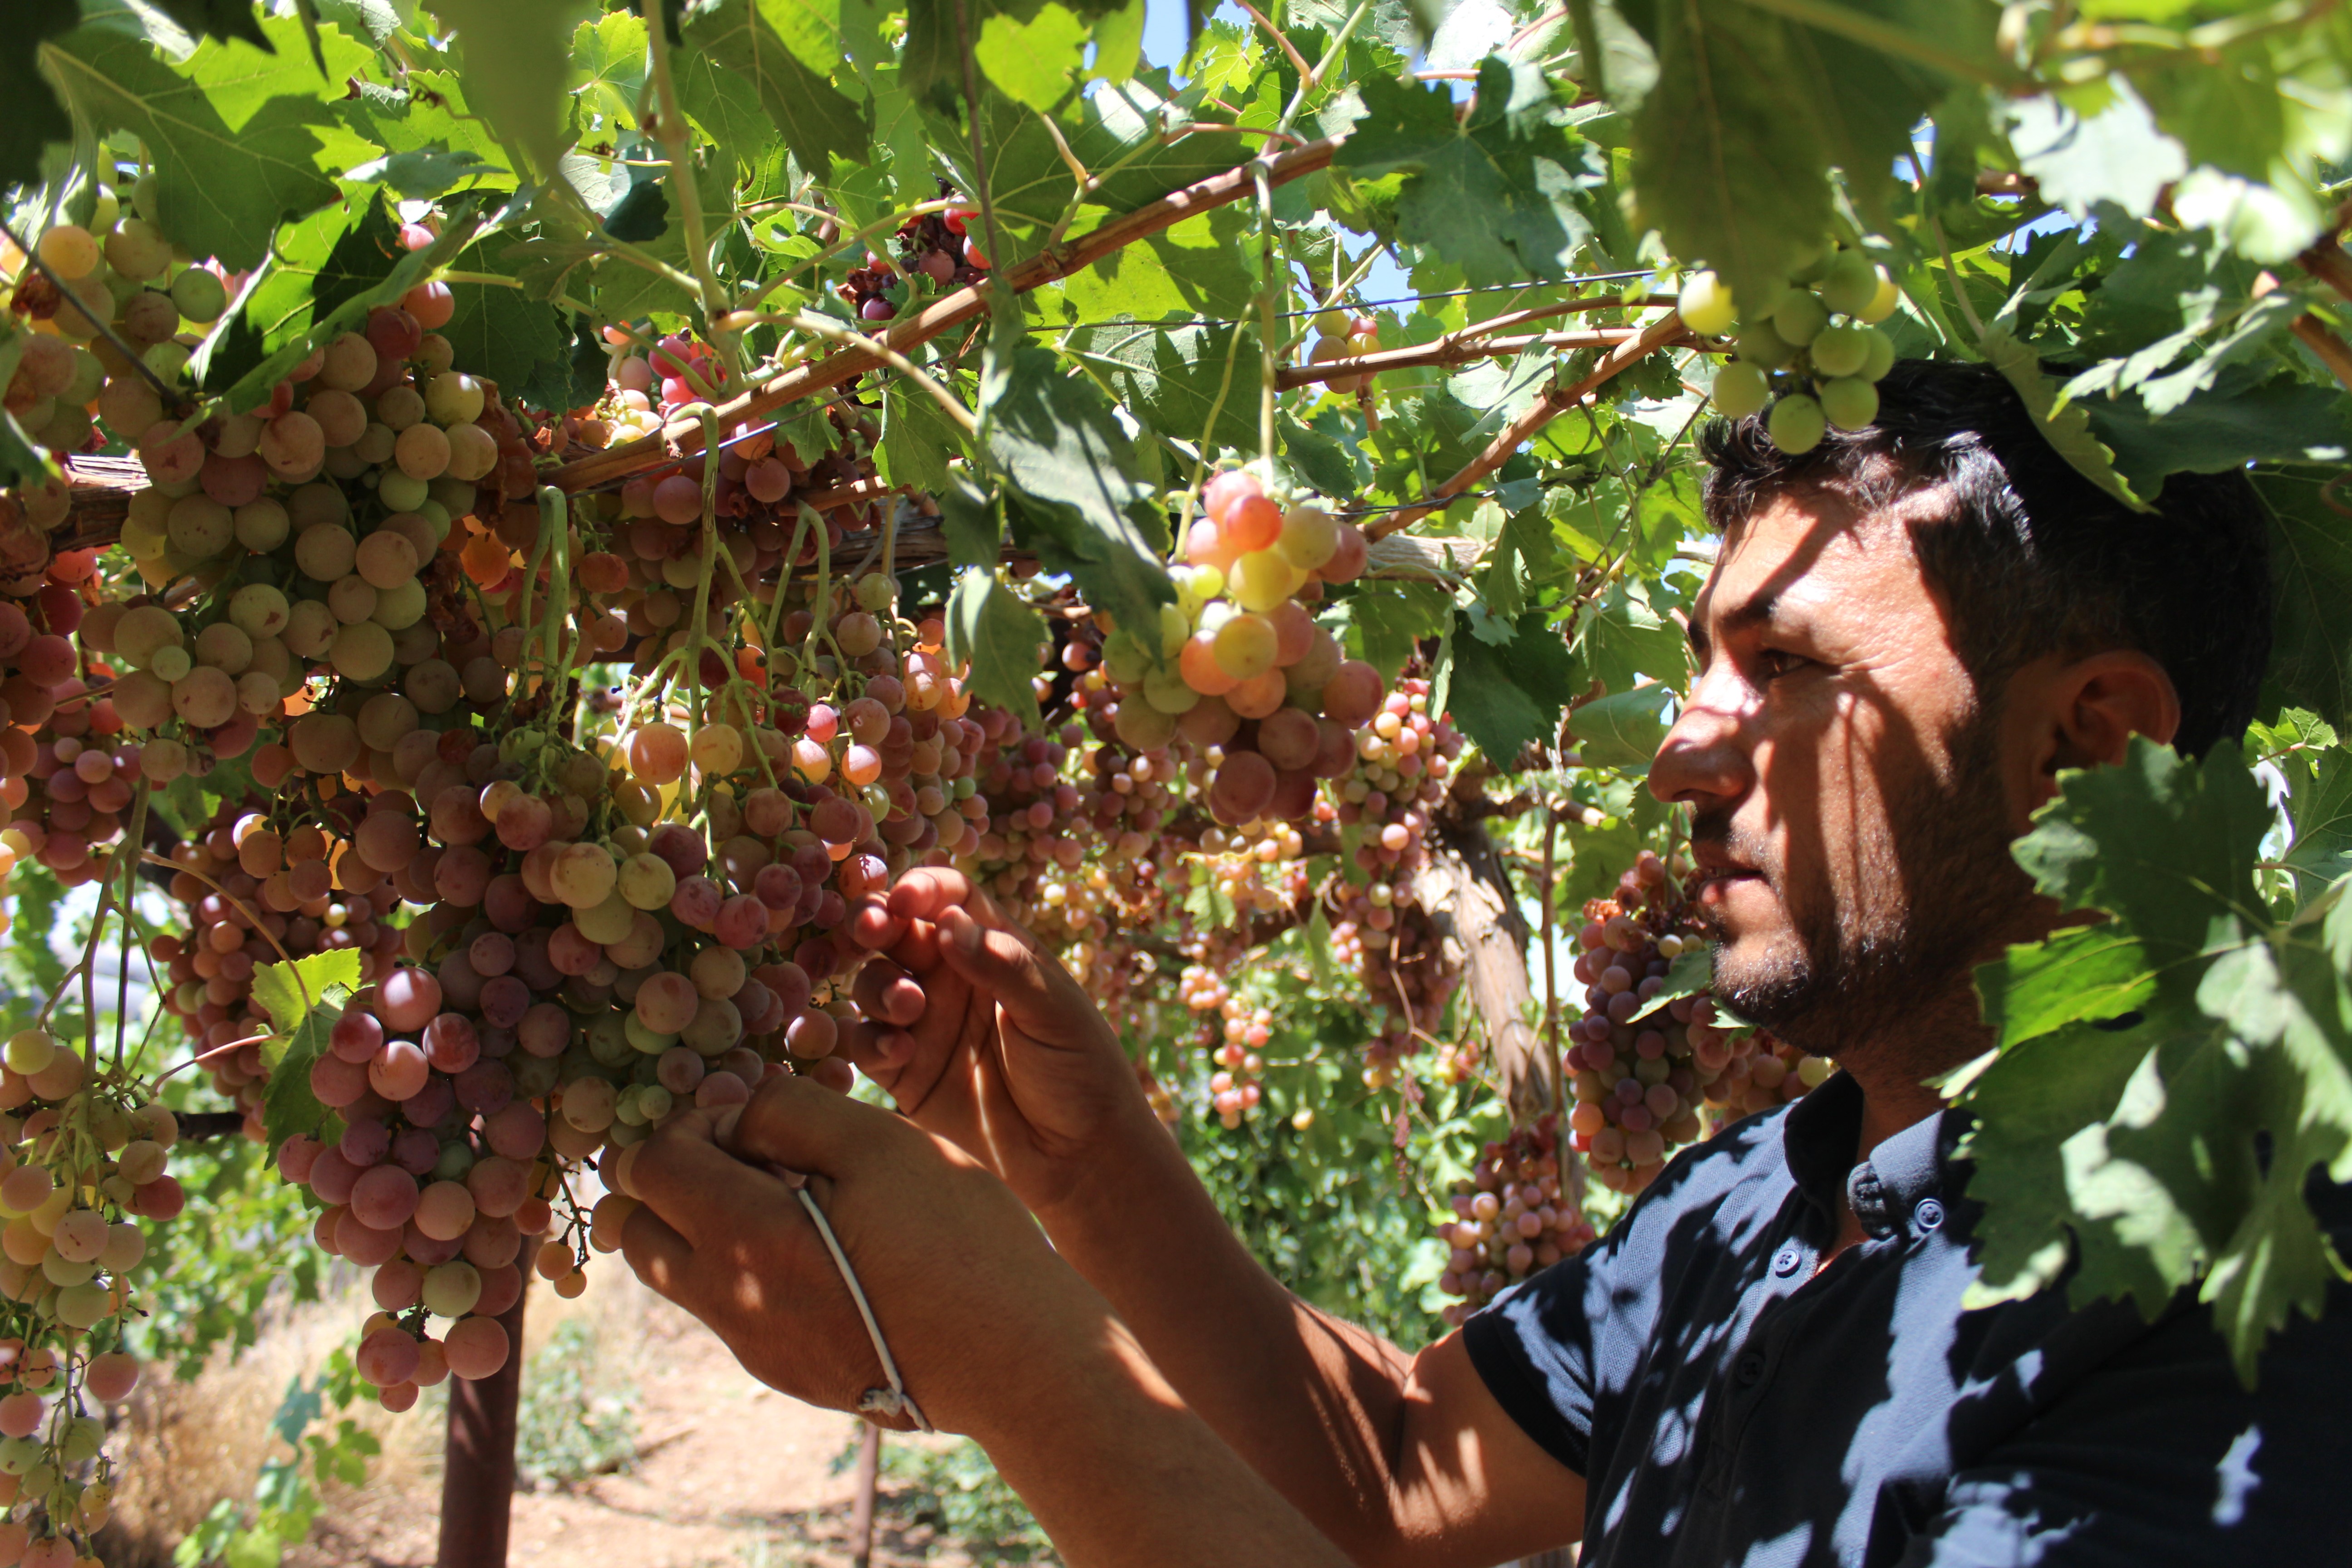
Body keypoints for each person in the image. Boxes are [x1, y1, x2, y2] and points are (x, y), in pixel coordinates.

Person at [617, 361, 2352, 1567]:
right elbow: (1390, 1477)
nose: (1682, 750)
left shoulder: (2248, 1328)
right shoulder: (1763, 1196)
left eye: (1788, 666)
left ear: (2099, 744)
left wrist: (1014, 1367)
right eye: (1699, 660)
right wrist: (1081, 1166)